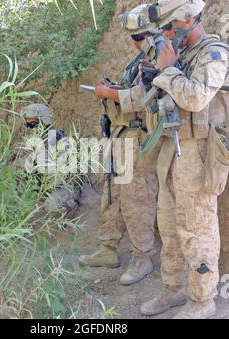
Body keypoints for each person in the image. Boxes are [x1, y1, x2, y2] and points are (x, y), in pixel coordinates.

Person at [139, 0, 229, 319]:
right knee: (169, 226)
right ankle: (173, 290)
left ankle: (203, 300)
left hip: (200, 155)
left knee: (197, 229)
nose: (165, 34)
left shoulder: (214, 53)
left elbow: (195, 97)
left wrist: (167, 70)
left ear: (189, 19)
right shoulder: (184, 54)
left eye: (169, 27)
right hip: (173, 153)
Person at [78, 4, 162, 286]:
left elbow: (144, 97)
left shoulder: (163, 56)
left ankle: (142, 258)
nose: (134, 41)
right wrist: (112, 88)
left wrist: (110, 93)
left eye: (138, 36)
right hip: (122, 137)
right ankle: (108, 248)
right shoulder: (142, 58)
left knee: (138, 200)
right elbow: (129, 90)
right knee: (112, 196)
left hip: (140, 140)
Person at [16, 104, 80, 218]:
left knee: (53, 206)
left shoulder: (61, 142)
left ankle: (69, 209)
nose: (29, 128)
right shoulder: (33, 141)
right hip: (42, 186)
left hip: (62, 188)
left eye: (32, 124)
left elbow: (66, 177)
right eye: (27, 124)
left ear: (44, 123)